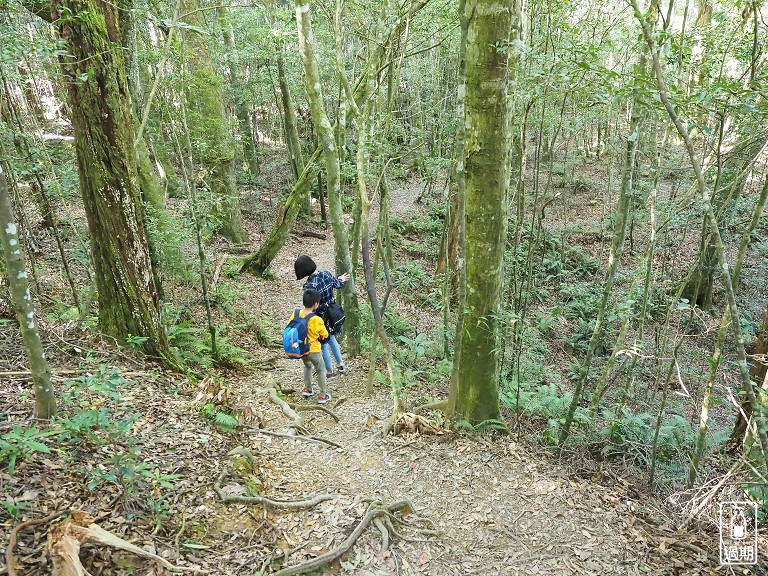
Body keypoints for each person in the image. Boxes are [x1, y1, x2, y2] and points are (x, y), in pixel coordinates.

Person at [294, 255, 349, 377]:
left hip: (319, 317)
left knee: (323, 344)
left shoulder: (309, 286)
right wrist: (340, 279)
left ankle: (329, 371)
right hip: (332, 314)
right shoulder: (326, 274)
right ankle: (341, 364)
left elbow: (310, 304)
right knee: (332, 338)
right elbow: (337, 284)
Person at [286, 288, 332, 404]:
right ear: (316, 304)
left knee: (307, 366)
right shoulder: (316, 319)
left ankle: (307, 388)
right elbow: (324, 334)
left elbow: (289, 327)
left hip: (300, 348)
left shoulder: (296, 314)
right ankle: (322, 394)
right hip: (314, 349)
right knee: (321, 369)